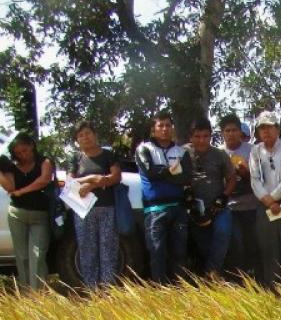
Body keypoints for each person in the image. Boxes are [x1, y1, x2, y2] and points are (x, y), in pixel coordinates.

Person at [135, 110, 193, 284]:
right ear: (154, 129)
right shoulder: (144, 149)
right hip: (155, 211)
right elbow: (150, 173)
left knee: (179, 253)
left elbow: (186, 177)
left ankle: (180, 292)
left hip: (179, 208)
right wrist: (171, 171)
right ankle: (160, 294)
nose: (165, 129)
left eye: (168, 125)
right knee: (157, 251)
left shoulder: (181, 152)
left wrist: (163, 173)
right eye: (161, 125)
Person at [68, 121, 122, 288]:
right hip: (83, 209)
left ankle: (108, 290)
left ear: (95, 134)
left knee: (108, 249)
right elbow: (70, 181)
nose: (85, 137)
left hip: (106, 208)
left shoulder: (108, 155)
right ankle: (91, 290)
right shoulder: (76, 158)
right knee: (86, 250)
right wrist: (92, 179)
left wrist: (93, 185)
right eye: (81, 135)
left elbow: (116, 177)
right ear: (77, 139)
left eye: (88, 133)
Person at [249, 111, 281, 287]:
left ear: (277, 128)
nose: (266, 131)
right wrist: (268, 201)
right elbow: (254, 180)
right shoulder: (255, 151)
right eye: (262, 128)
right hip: (265, 205)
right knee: (268, 247)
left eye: (269, 127)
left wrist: (275, 198)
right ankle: (272, 289)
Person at [0, 133, 53, 290]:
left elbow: (44, 180)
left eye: (25, 150)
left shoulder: (45, 161)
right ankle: (26, 294)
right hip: (17, 215)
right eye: (18, 153)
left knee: (37, 255)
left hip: (40, 216)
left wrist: (23, 191)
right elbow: (9, 187)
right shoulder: (11, 166)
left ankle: (39, 295)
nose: (23, 154)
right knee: (21, 257)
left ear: (31, 145)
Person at [185, 117, 236, 276]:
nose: (202, 140)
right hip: (194, 210)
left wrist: (223, 197)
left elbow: (232, 179)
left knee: (223, 231)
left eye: (206, 136)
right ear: (190, 137)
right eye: (197, 136)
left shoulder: (219, 155)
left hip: (218, 207)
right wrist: (187, 195)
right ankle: (208, 277)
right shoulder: (182, 153)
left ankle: (211, 274)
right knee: (203, 246)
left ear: (211, 136)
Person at [219, 114, 258, 279]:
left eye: (234, 130)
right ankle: (236, 281)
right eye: (227, 131)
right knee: (236, 245)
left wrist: (246, 173)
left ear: (240, 132)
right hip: (230, 207)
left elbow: (260, 179)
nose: (231, 134)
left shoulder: (252, 150)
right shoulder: (218, 153)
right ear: (222, 133)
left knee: (253, 245)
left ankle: (255, 280)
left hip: (251, 206)